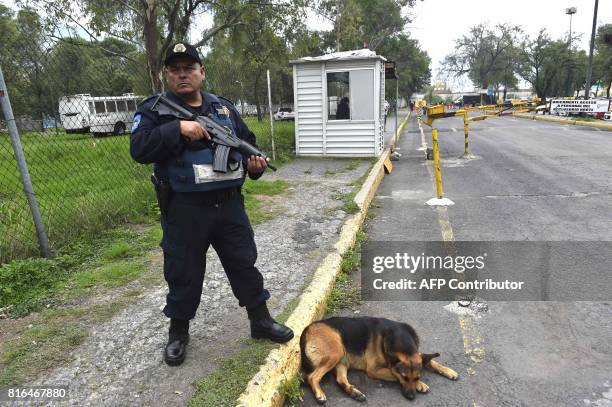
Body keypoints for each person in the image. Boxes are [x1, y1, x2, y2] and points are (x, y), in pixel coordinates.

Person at [130, 42, 293, 366]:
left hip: (229, 206)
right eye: (175, 69)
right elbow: (139, 149)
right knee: (183, 272)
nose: (182, 74)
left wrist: (255, 167)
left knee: (244, 264)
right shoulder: (154, 110)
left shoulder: (224, 109)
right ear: (166, 75)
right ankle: (178, 333)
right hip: (184, 210)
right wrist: (178, 128)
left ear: (201, 72)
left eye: (188, 68)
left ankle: (260, 321)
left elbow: (248, 148)